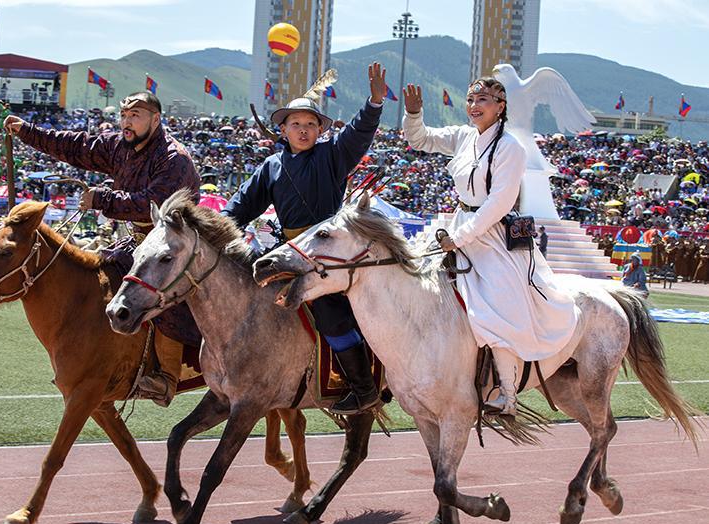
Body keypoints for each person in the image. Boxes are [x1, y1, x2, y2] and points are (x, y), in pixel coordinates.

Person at [4, 91, 201, 407]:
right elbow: (75, 146)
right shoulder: (119, 147)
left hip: (177, 245)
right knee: (98, 276)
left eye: (135, 115)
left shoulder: (173, 159)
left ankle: (165, 377)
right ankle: (103, 360)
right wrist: (27, 131)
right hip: (138, 240)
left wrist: (103, 199)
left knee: (163, 297)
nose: (127, 121)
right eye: (124, 116)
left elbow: (151, 204)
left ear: (156, 119)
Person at [402, 78, 578, 416]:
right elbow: (420, 139)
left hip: (492, 236)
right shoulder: (464, 136)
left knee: (498, 304)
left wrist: (462, 237)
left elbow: (498, 204)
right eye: (469, 99)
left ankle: (507, 394)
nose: (473, 105)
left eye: (482, 98)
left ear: (500, 106)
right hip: (457, 225)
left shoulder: (511, 147)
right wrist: (413, 113)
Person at [224, 62, 388, 415]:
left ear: (319, 130)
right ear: (282, 130)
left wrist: (374, 103)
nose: (303, 129)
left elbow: (358, 132)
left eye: (311, 124)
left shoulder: (333, 155)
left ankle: (363, 388)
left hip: (330, 252)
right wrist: (213, 231)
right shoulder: (270, 167)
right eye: (296, 124)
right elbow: (239, 208)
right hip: (289, 252)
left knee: (329, 311)